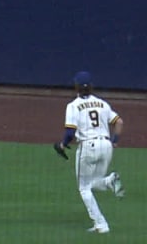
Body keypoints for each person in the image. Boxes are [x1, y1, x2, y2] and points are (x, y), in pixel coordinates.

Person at [54, 71, 125, 234]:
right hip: (106, 145)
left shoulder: (73, 105)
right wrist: (114, 141)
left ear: (76, 87)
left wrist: (63, 145)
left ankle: (101, 224)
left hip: (88, 146)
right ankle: (111, 181)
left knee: (84, 188)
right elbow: (119, 122)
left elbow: (70, 132)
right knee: (96, 183)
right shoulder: (102, 103)